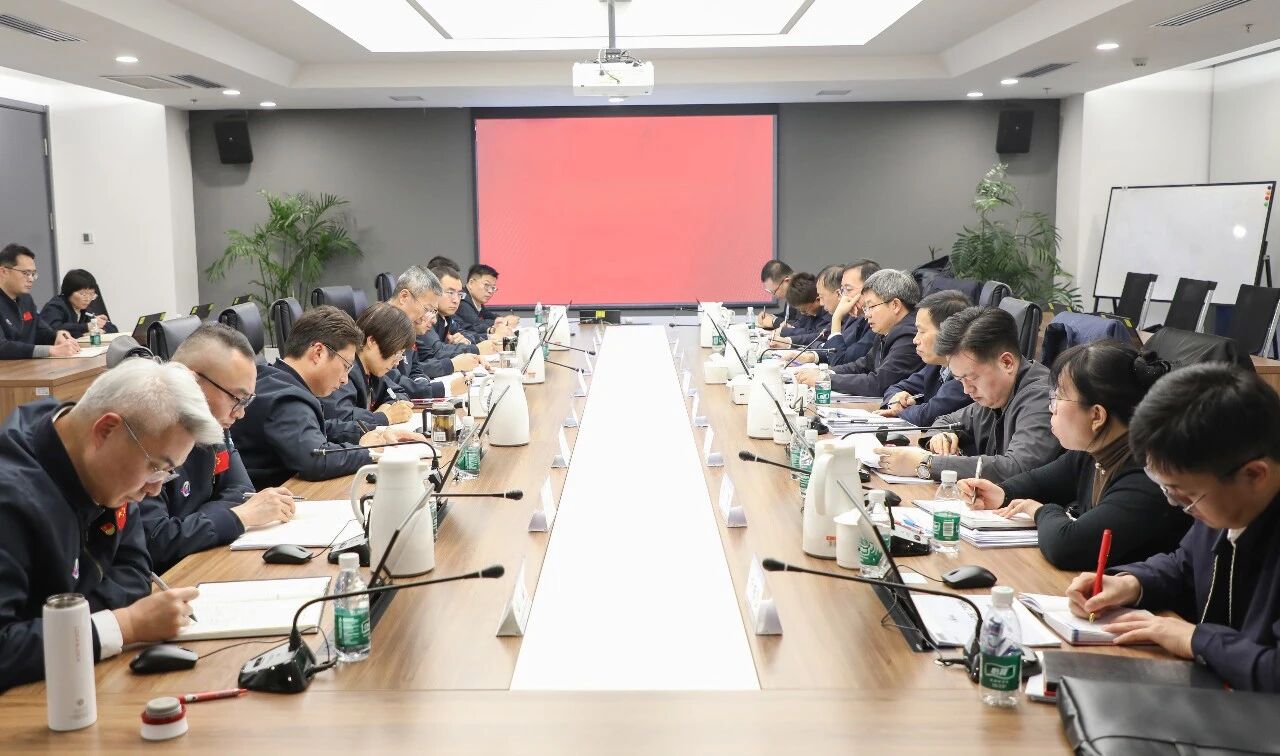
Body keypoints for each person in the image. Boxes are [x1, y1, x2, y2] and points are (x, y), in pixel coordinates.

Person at [0, 358, 221, 691]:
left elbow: (135, 570)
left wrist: (67, 625)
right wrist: (124, 624)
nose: (155, 490)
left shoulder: (102, 466)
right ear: (106, 430)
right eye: (155, 467)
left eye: (167, 473)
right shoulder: (10, 497)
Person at [1066, 364, 1280, 692]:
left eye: (1187, 496)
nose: (1178, 505)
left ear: (1254, 475)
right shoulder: (1229, 502)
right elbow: (1185, 564)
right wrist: (1131, 583)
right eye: (1167, 490)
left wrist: (1196, 639)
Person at [961, 342, 1189, 570]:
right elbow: (1038, 482)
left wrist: (1040, 510)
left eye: (1058, 397)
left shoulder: (1149, 473)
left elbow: (1068, 547)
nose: (1051, 408)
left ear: (1097, 416)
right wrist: (1002, 493)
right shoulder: (1096, 451)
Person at [137, 324, 300, 573]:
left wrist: (197, 522)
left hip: (203, 558)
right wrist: (238, 517)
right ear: (192, 380)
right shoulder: (145, 434)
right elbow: (157, 540)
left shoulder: (215, 422)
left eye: (247, 401)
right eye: (236, 398)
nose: (241, 413)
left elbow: (241, 490)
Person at [231, 306, 428, 489]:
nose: (345, 379)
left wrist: (376, 435)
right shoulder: (285, 398)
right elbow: (317, 459)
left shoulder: (278, 380)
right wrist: (369, 451)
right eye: (346, 366)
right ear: (318, 353)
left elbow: (322, 429)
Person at [875, 306, 1060, 482]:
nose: (966, 390)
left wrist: (927, 464)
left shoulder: (1042, 397)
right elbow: (946, 420)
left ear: (1006, 363)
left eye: (971, 378)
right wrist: (941, 437)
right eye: (959, 380)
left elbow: (1016, 468)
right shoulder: (995, 394)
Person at [322, 303, 464, 428]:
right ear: (372, 342)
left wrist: (388, 407)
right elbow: (341, 417)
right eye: (396, 354)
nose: (397, 362)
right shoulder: (345, 371)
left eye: (401, 355)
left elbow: (399, 393)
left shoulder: (374, 371)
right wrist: (384, 417)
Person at [795, 269, 923, 397]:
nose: (867, 315)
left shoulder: (910, 335)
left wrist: (825, 379)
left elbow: (877, 384)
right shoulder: (887, 331)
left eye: (871, 307)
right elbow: (863, 365)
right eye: (866, 308)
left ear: (895, 305)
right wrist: (824, 372)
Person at [384, 266, 483, 400]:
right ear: (404, 297)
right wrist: (446, 388)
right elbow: (391, 382)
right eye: (427, 309)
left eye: (433, 311)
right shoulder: (383, 325)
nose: (431, 318)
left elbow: (414, 369)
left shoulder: (406, 326)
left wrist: (423, 383)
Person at [876, 290, 973, 426]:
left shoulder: (966, 376)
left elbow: (927, 416)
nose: (915, 340)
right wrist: (898, 399)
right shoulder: (937, 365)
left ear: (947, 332)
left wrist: (900, 410)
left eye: (922, 331)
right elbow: (895, 387)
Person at [0, 243, 80, 358]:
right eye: (26, 273)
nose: (31, 279)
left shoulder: (26, 300)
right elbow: (2, 347)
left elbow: (39, 331)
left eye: (33, 274)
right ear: (3, 272)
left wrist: (56, 336)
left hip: (26, 365)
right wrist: (51, 351)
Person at [794, 260, 880, 366]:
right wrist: (813, 356)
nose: (842, 298)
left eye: (848, 289)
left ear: (871, 288)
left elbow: (840, 361)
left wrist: (836, 318)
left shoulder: (878, 322)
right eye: (842, 290)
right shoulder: (856, 316)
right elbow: (836, 349)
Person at [40, 269, 118, 337]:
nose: (88, 299)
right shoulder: (55, 306)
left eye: (91, 294)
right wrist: (87, 327)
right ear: (69, 291)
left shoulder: (85, 309)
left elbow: (113, 328)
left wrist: (101, 330)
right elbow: (54, 329)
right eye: (82, 294)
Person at [456, 263, 519, 339]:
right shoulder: (461, 300)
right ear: (471, 283)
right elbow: (477, 324)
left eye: (493, 288)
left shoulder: (476, 300)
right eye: (486, 285)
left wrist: (503, 319)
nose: (490, 291)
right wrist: (504, 322)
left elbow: (489, 315)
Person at [778, 272, 831, 343]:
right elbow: (799, 325)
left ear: (818, 300)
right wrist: (789, 328)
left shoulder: (829, 311)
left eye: (804, 310)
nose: (802, 313)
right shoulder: (808, 310)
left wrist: (788, 339)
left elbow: (819, 335)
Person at [756, 260, 793, 330]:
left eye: (774, 291)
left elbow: (801, 325)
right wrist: (771, 316)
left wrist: (773, 321)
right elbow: (788, 316)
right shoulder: (790, 293)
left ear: (787, 281)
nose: (773, 295)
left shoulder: (803, 292)